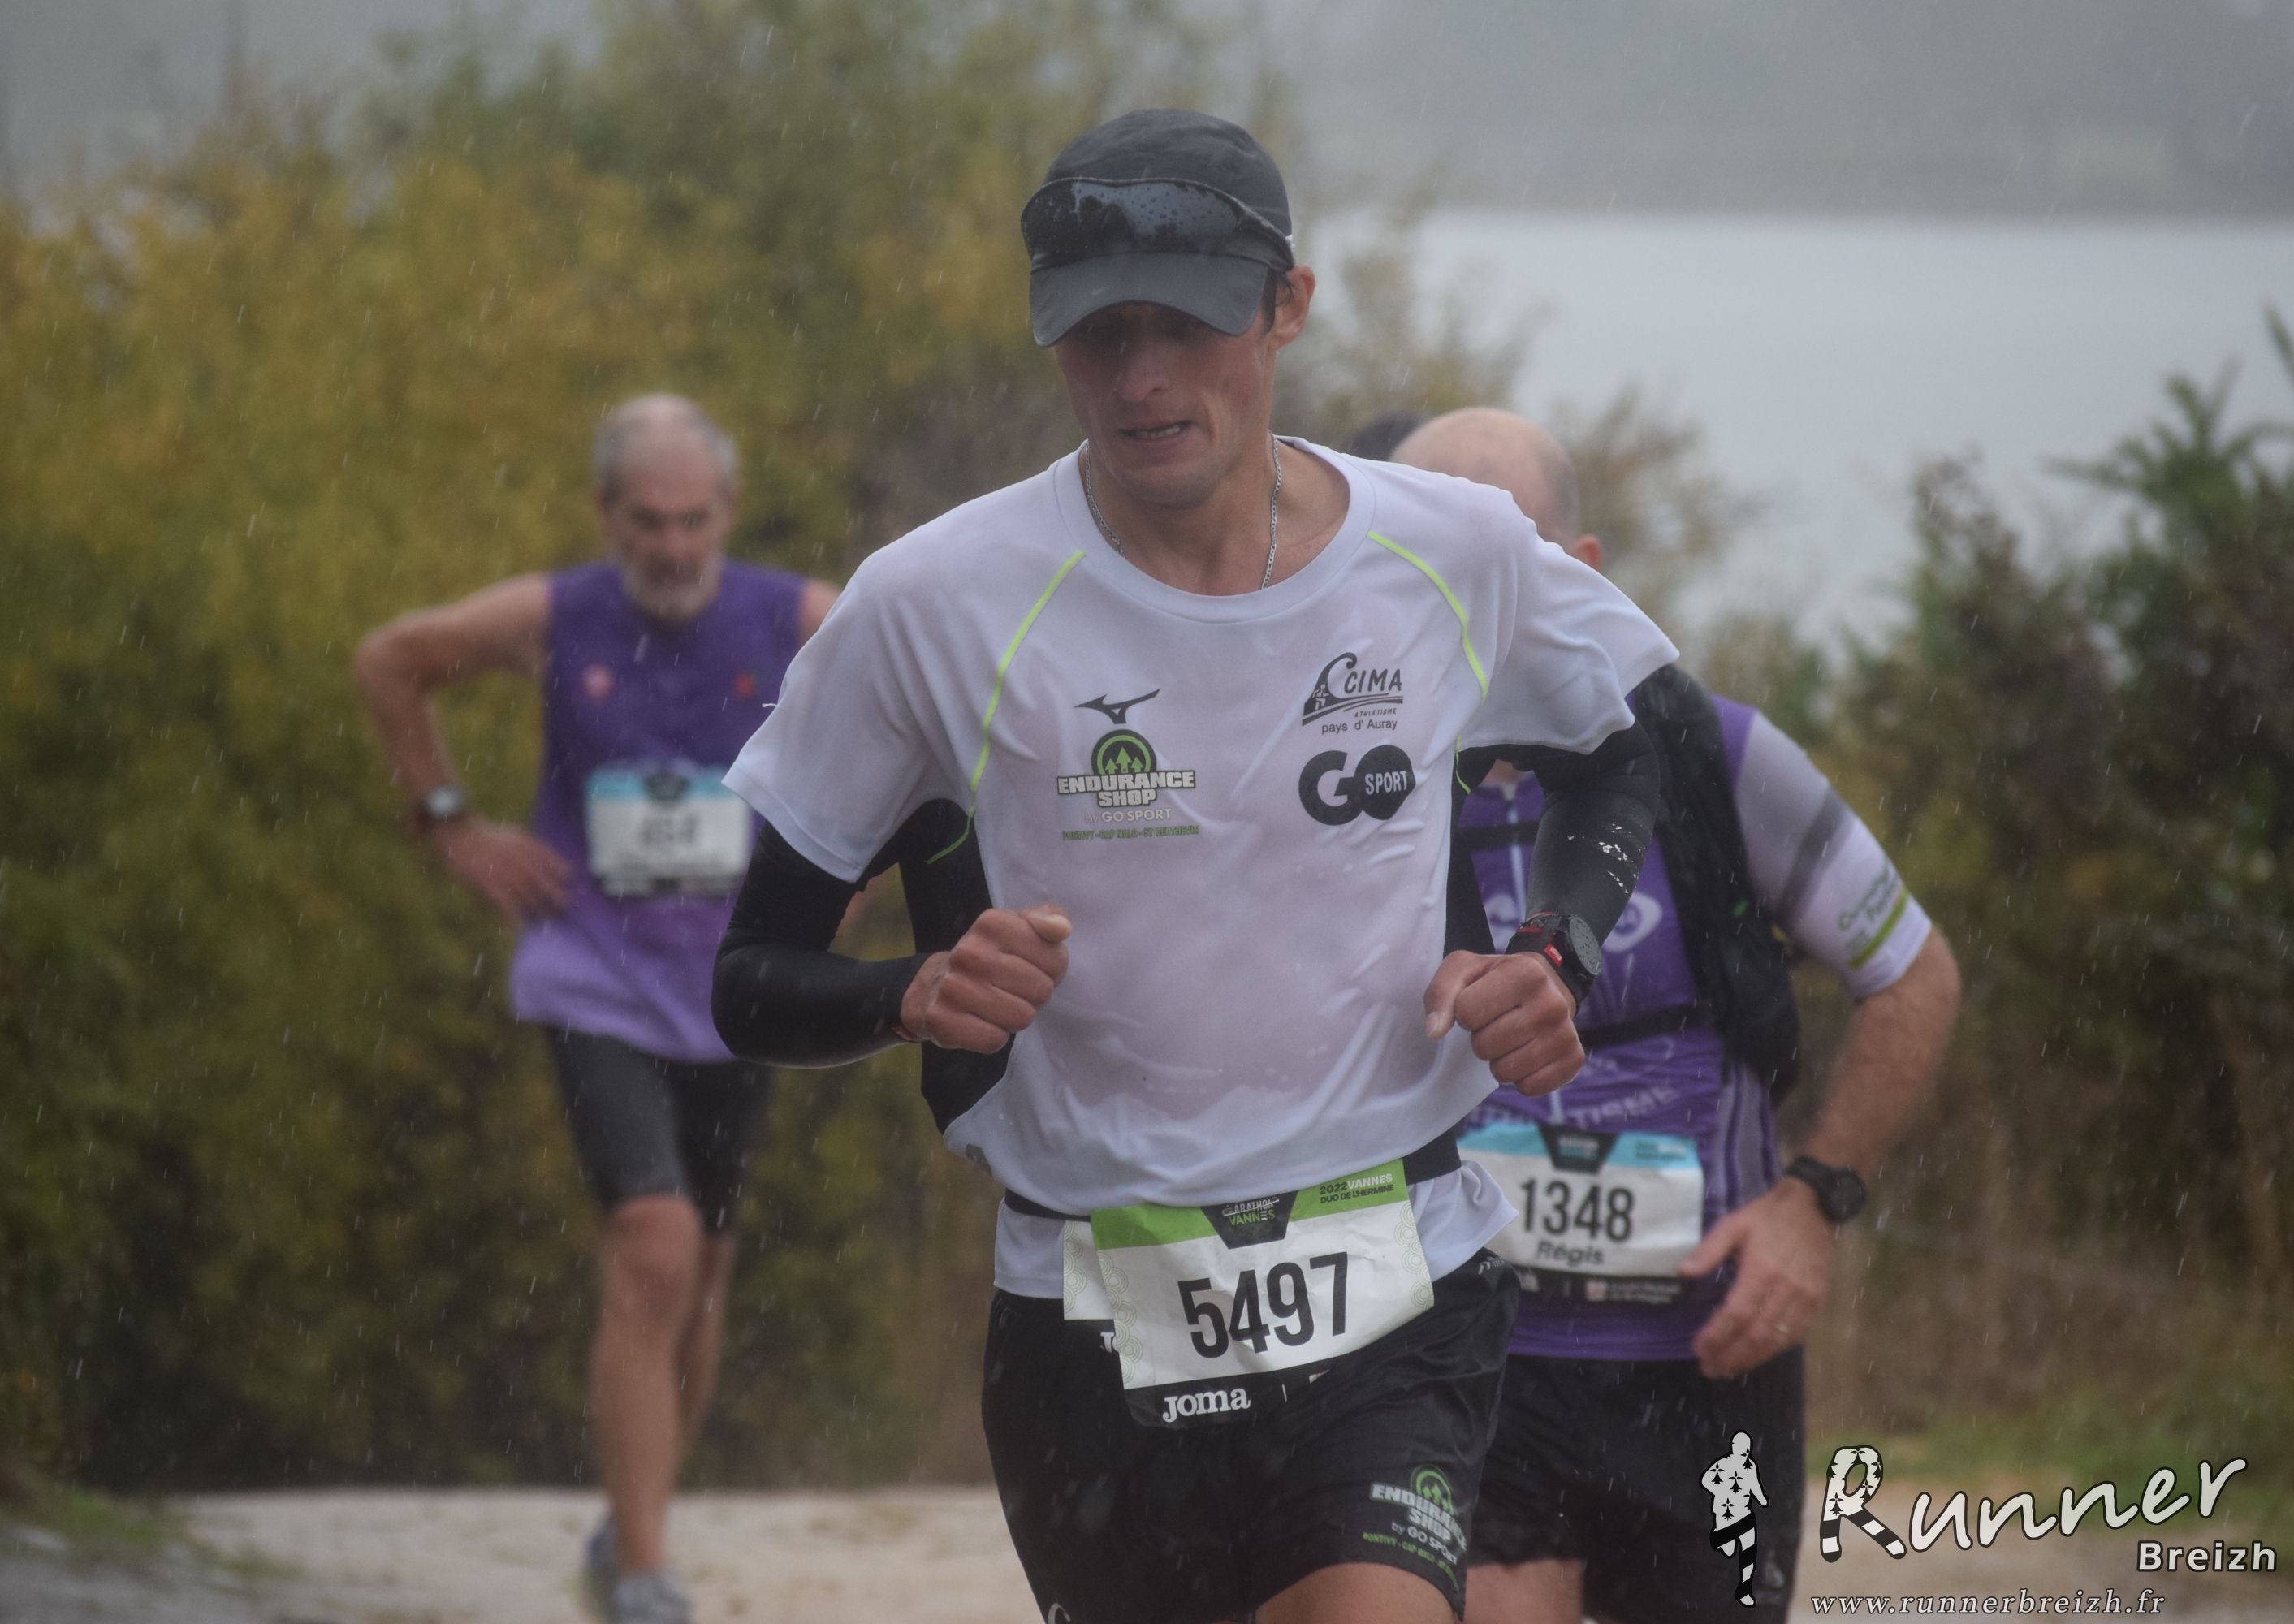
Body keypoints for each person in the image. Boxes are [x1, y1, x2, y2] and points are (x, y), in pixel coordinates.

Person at [709, 111, 1680, 1624]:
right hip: (1090, 1318)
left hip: (1394, 1288)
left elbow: (1631, 746)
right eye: (1098, 335)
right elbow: (750, 984)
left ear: (1287, 307)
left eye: (1184, 325)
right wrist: (913, 994)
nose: (1141, 379)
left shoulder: (1456, 551)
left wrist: (1555, 948)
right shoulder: (932, 603)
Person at [1391, 408, 1962, 1624]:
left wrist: (1813, 1206)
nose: (1448, 601)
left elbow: (1916, 975)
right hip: (1473, 1358)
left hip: (1711, 1365)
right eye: (1414, 564)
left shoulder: (1718, 757)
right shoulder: (1361, 794)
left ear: (1579, 572)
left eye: (1490, 563)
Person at [352, 395, 836, 1624]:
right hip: (595, 972)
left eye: (692, 520)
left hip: (735, 985)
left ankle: (631, 1522)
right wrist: (452, 827)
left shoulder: (797, 619)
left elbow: (942, 703)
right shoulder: (556, 615)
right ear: (606, 514)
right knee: (653, 1245)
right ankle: (645, 1573)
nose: (672, 546)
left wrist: (861, 862)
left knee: (704, 1272)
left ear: (729, 511)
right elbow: (390, 661)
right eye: (647, 522)